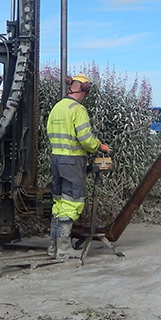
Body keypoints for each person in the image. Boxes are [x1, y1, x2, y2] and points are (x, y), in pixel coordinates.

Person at [45, 73, 109, 258]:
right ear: (84, 89)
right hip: (72, 161)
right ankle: (64, 250)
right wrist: (99, 146)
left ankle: (54, 247)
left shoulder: (57, 107)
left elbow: (50, 131)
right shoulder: (77, 109)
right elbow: (86, 139)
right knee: (72, 202)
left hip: (56, 159)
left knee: (59, 202)